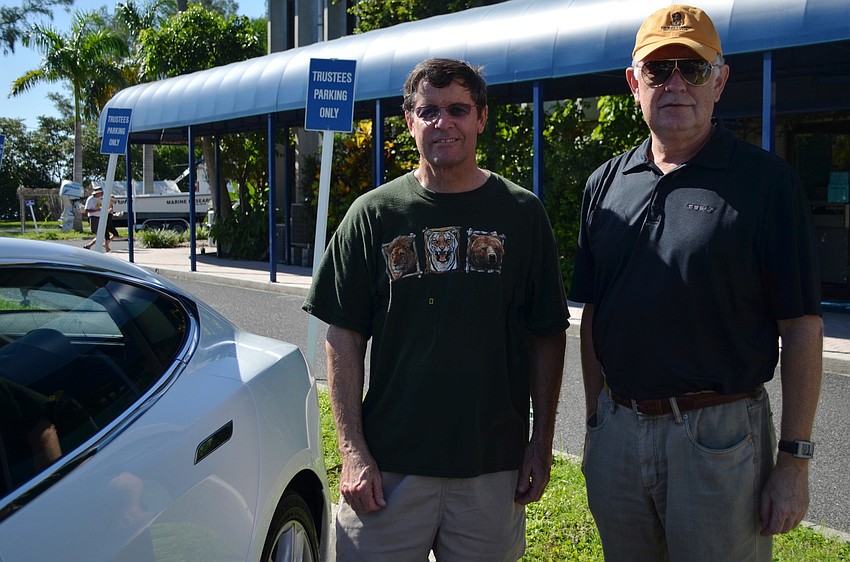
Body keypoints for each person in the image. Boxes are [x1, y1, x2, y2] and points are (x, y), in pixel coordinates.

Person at [569, 5, 823, 561]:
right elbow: (594, 315)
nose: (676, 83)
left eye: (695, 68)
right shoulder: (604, 184)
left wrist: (794, 461)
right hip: (619, 433)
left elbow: (801, 326)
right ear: (634, 84)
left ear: (721, 81)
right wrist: (595, 424)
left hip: (719, 443)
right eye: (659, 70)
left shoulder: (766, 183)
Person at [302, 57, 569, 561]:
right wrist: (353, 451)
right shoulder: (374, 214)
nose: (443, 123)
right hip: (389, 469)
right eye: (429, 111)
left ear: (481, 117)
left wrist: (540, 443)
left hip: (490, 469)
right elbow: (344, 337)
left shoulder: (521, 214)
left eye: (458, 110)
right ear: (409, 121)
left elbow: (547, 336)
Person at [82, 187, 112, 252]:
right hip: (94, 218)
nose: (101, 194)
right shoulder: (90, 199)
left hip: (101, 217)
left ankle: (89, 246)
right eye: (100, 193)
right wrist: (96, 210)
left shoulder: (101, 199)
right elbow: (86, 210)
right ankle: (94, 247)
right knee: (99, 234)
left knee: (102, 234)